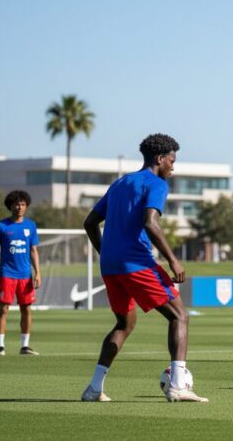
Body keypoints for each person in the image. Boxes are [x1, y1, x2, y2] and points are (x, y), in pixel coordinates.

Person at [81, 134, 207, 402]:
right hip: (136, 263)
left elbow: (89, 222)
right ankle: (177, 385)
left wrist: (106, 253)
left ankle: (94, 388)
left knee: (124, 323)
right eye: (172, 160)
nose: (173, 166)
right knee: (179, 316)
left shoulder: (120, 183)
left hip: (111, 266)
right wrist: (173, 259)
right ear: (160, 159)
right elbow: (151, 222)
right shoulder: (156, 183)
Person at [0, 190, 41, 356]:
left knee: (26, 310)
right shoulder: (1, 226)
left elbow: (33, 251)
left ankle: (25, 346)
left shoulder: (31, 226)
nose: (19, 207)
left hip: (25, 276)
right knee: (3, 310)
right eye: (16, 204)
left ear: (26, 206)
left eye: (23, 204)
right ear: (10, 206)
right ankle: (0, 347)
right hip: (7, 275)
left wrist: (37, 273)